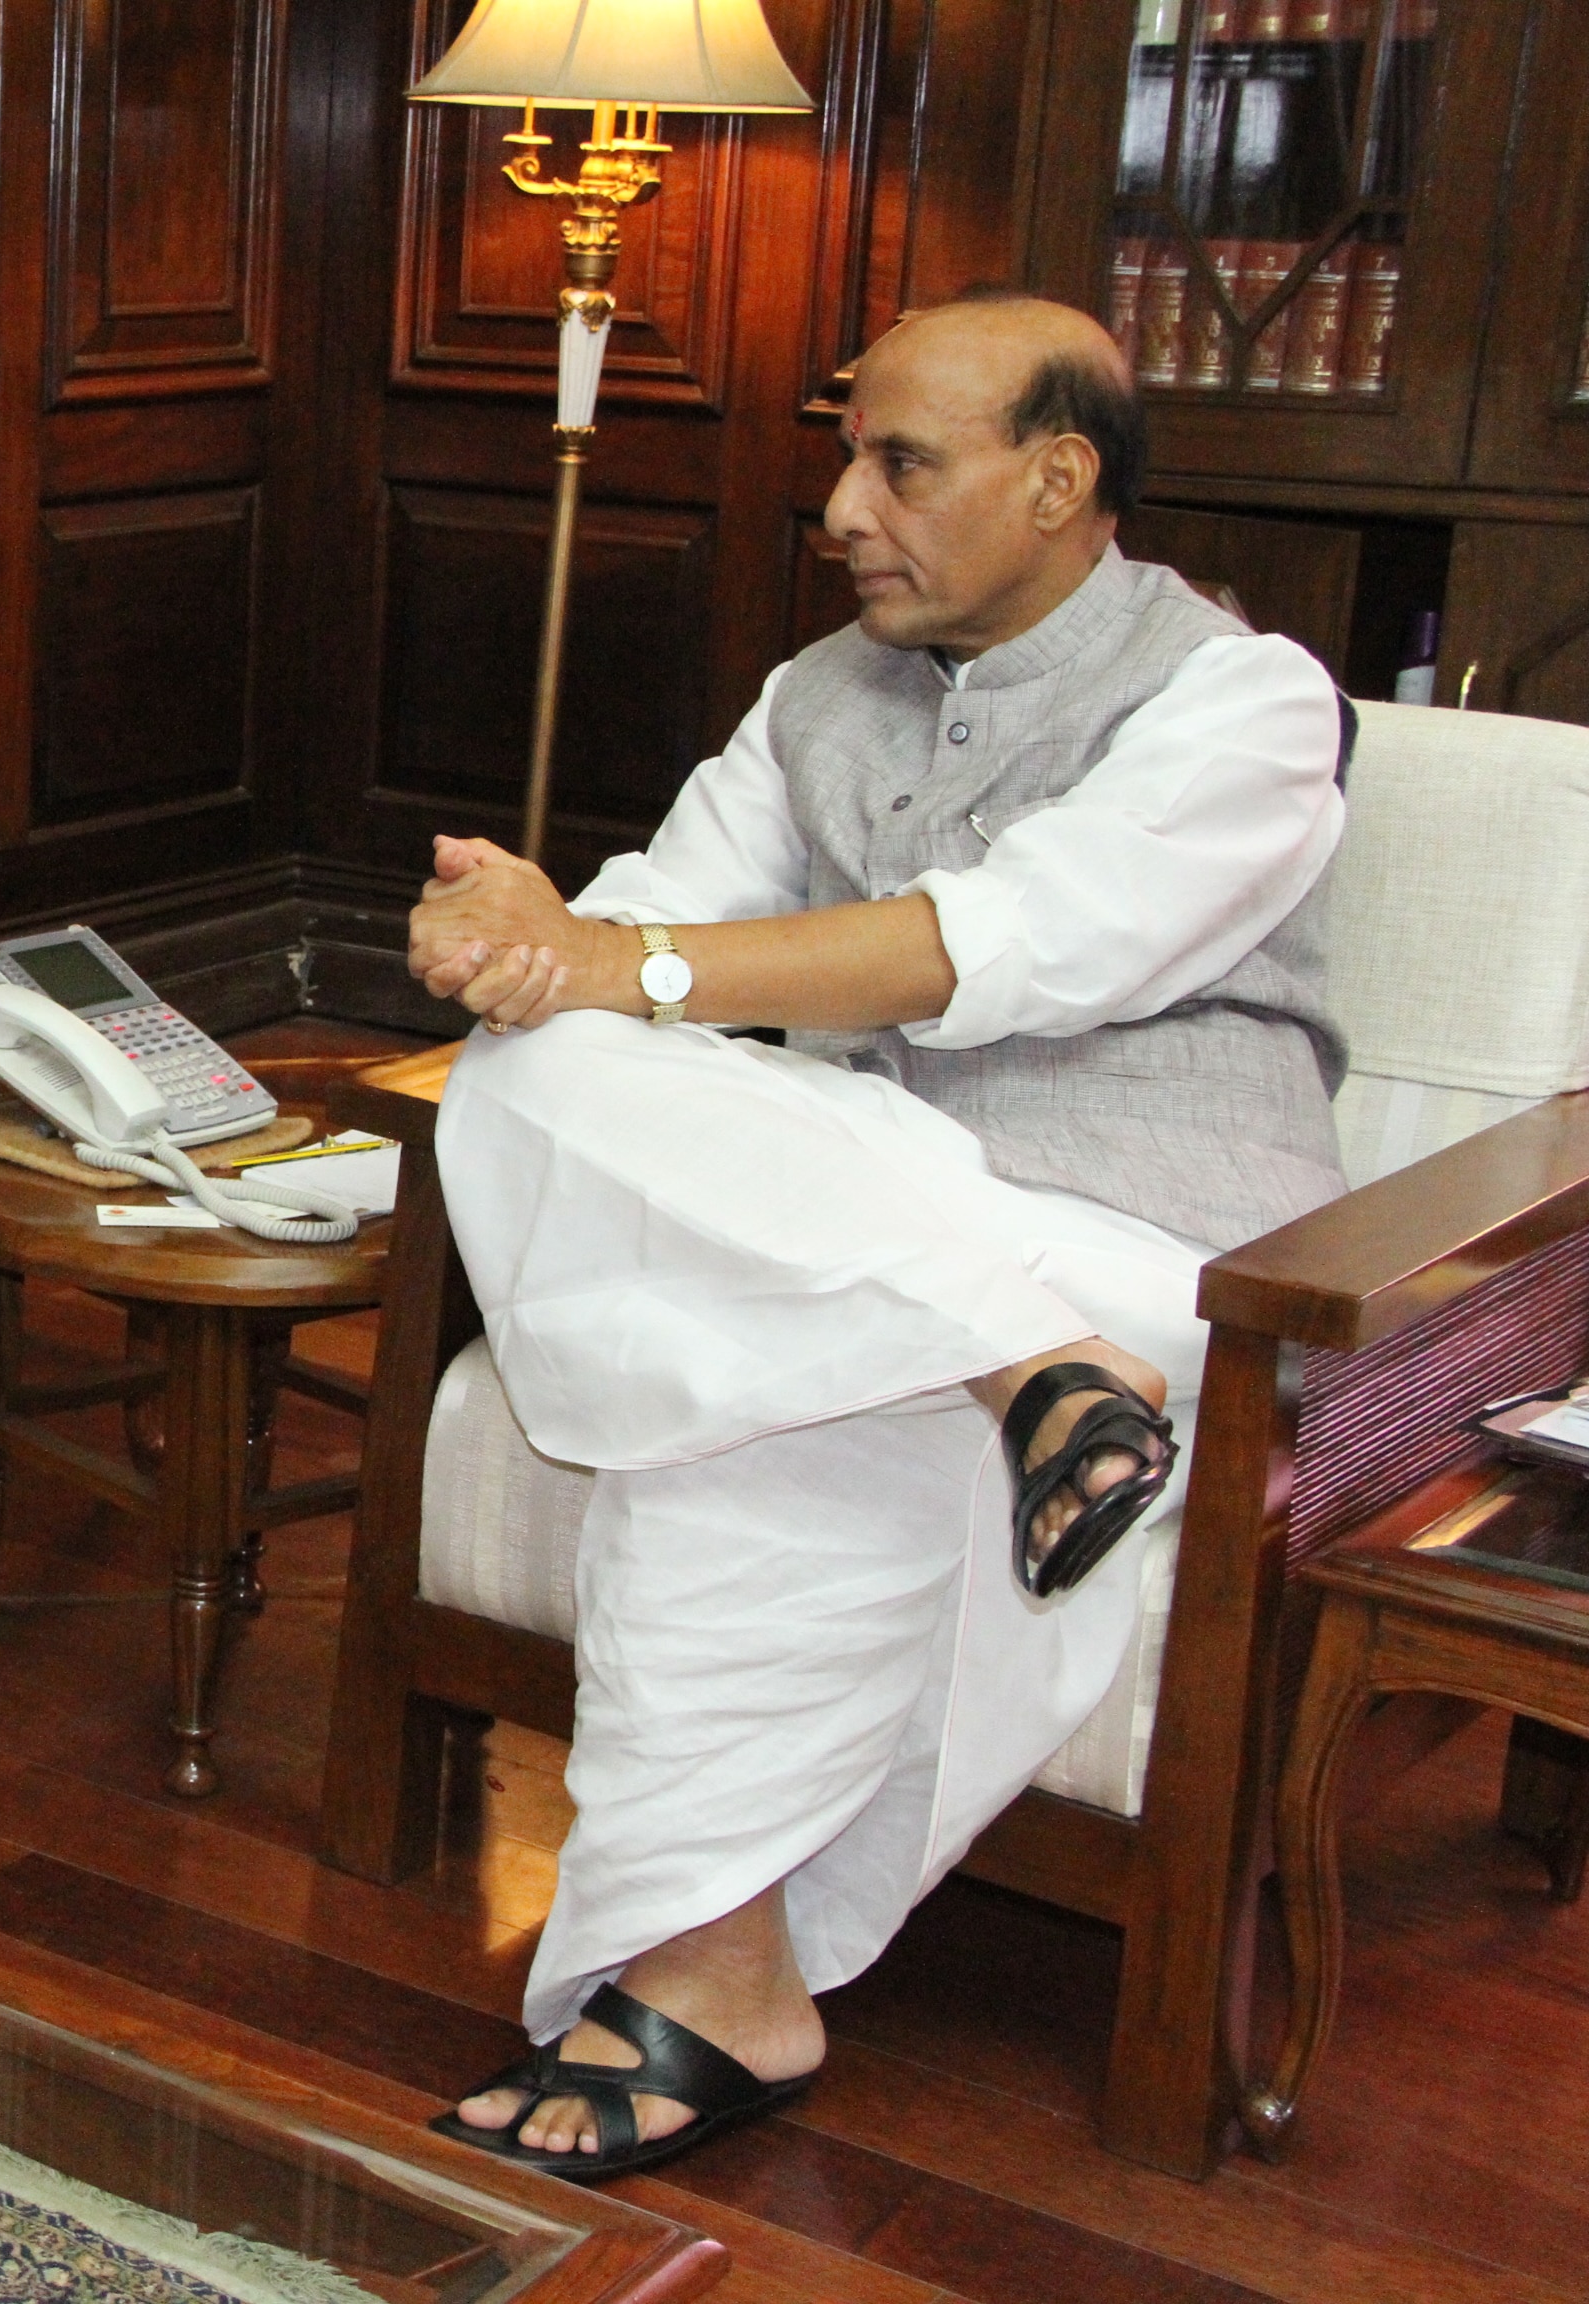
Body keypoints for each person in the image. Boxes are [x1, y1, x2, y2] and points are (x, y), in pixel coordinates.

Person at [401, 291, 1346, 2177]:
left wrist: (607, 963)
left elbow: (998, 950)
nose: (843, 506)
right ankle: (1012, 1379)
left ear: (1060, 478)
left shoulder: (1240, 697)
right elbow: (648, 930)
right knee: (526, 1084)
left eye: (900, 464)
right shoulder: (816, 693)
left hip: (1144, 1245)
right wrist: (519, 949)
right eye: (848, 456)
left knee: (743, 1396)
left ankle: (715, 1976)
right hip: (882, 1247)